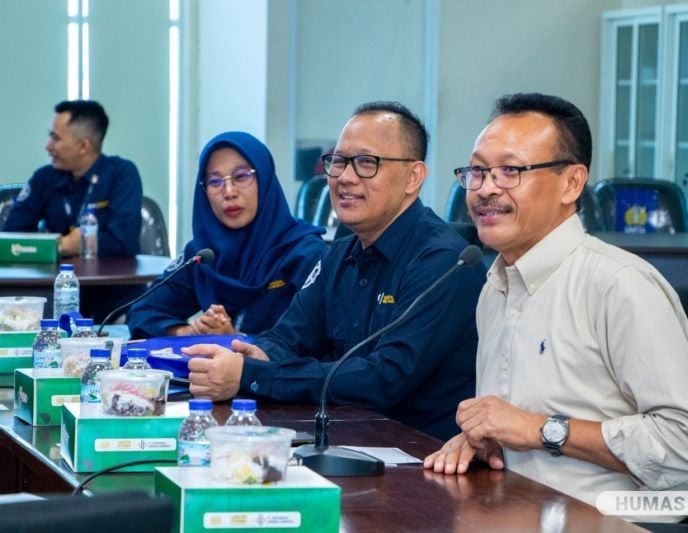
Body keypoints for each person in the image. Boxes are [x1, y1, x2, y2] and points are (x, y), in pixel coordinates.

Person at [423, 93, 688, 516]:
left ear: (572, 183)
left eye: (511, 170)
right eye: (478, 170)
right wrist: (484, 437)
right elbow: (511, 422)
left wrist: (540, 429)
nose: (486, 188)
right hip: (516, 509)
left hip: (615, 519)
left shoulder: (618, 285)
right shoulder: (495, 285)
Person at [183, 102, 486, 440]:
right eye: (338, 162)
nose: (345, 177)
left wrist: (252, 374)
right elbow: (289, 335)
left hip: (421, 457)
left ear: (413, 177)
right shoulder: (341, 252)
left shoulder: (443, 261)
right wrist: (257, 354)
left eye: (367, 163)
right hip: (346, 438)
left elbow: (385, 378)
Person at [127, 132, 328, 338]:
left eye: (241, 177)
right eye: (215, 182)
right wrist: (188, 331)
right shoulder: (203, 254)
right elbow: (142, 312)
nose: (229, 192)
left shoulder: (305, 253)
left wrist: (236, 340)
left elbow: (313, 341)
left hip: (276, 369)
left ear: (265, 179)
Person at [4, 100, 142, 258]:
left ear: (83, 146)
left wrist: (74, 244)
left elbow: (123, 241)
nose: (48, 146)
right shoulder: (44, 178)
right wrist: (62, 244)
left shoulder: (121, 174)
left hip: (111, 280)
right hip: (56, 279)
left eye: (55, 138)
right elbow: (11, 236)